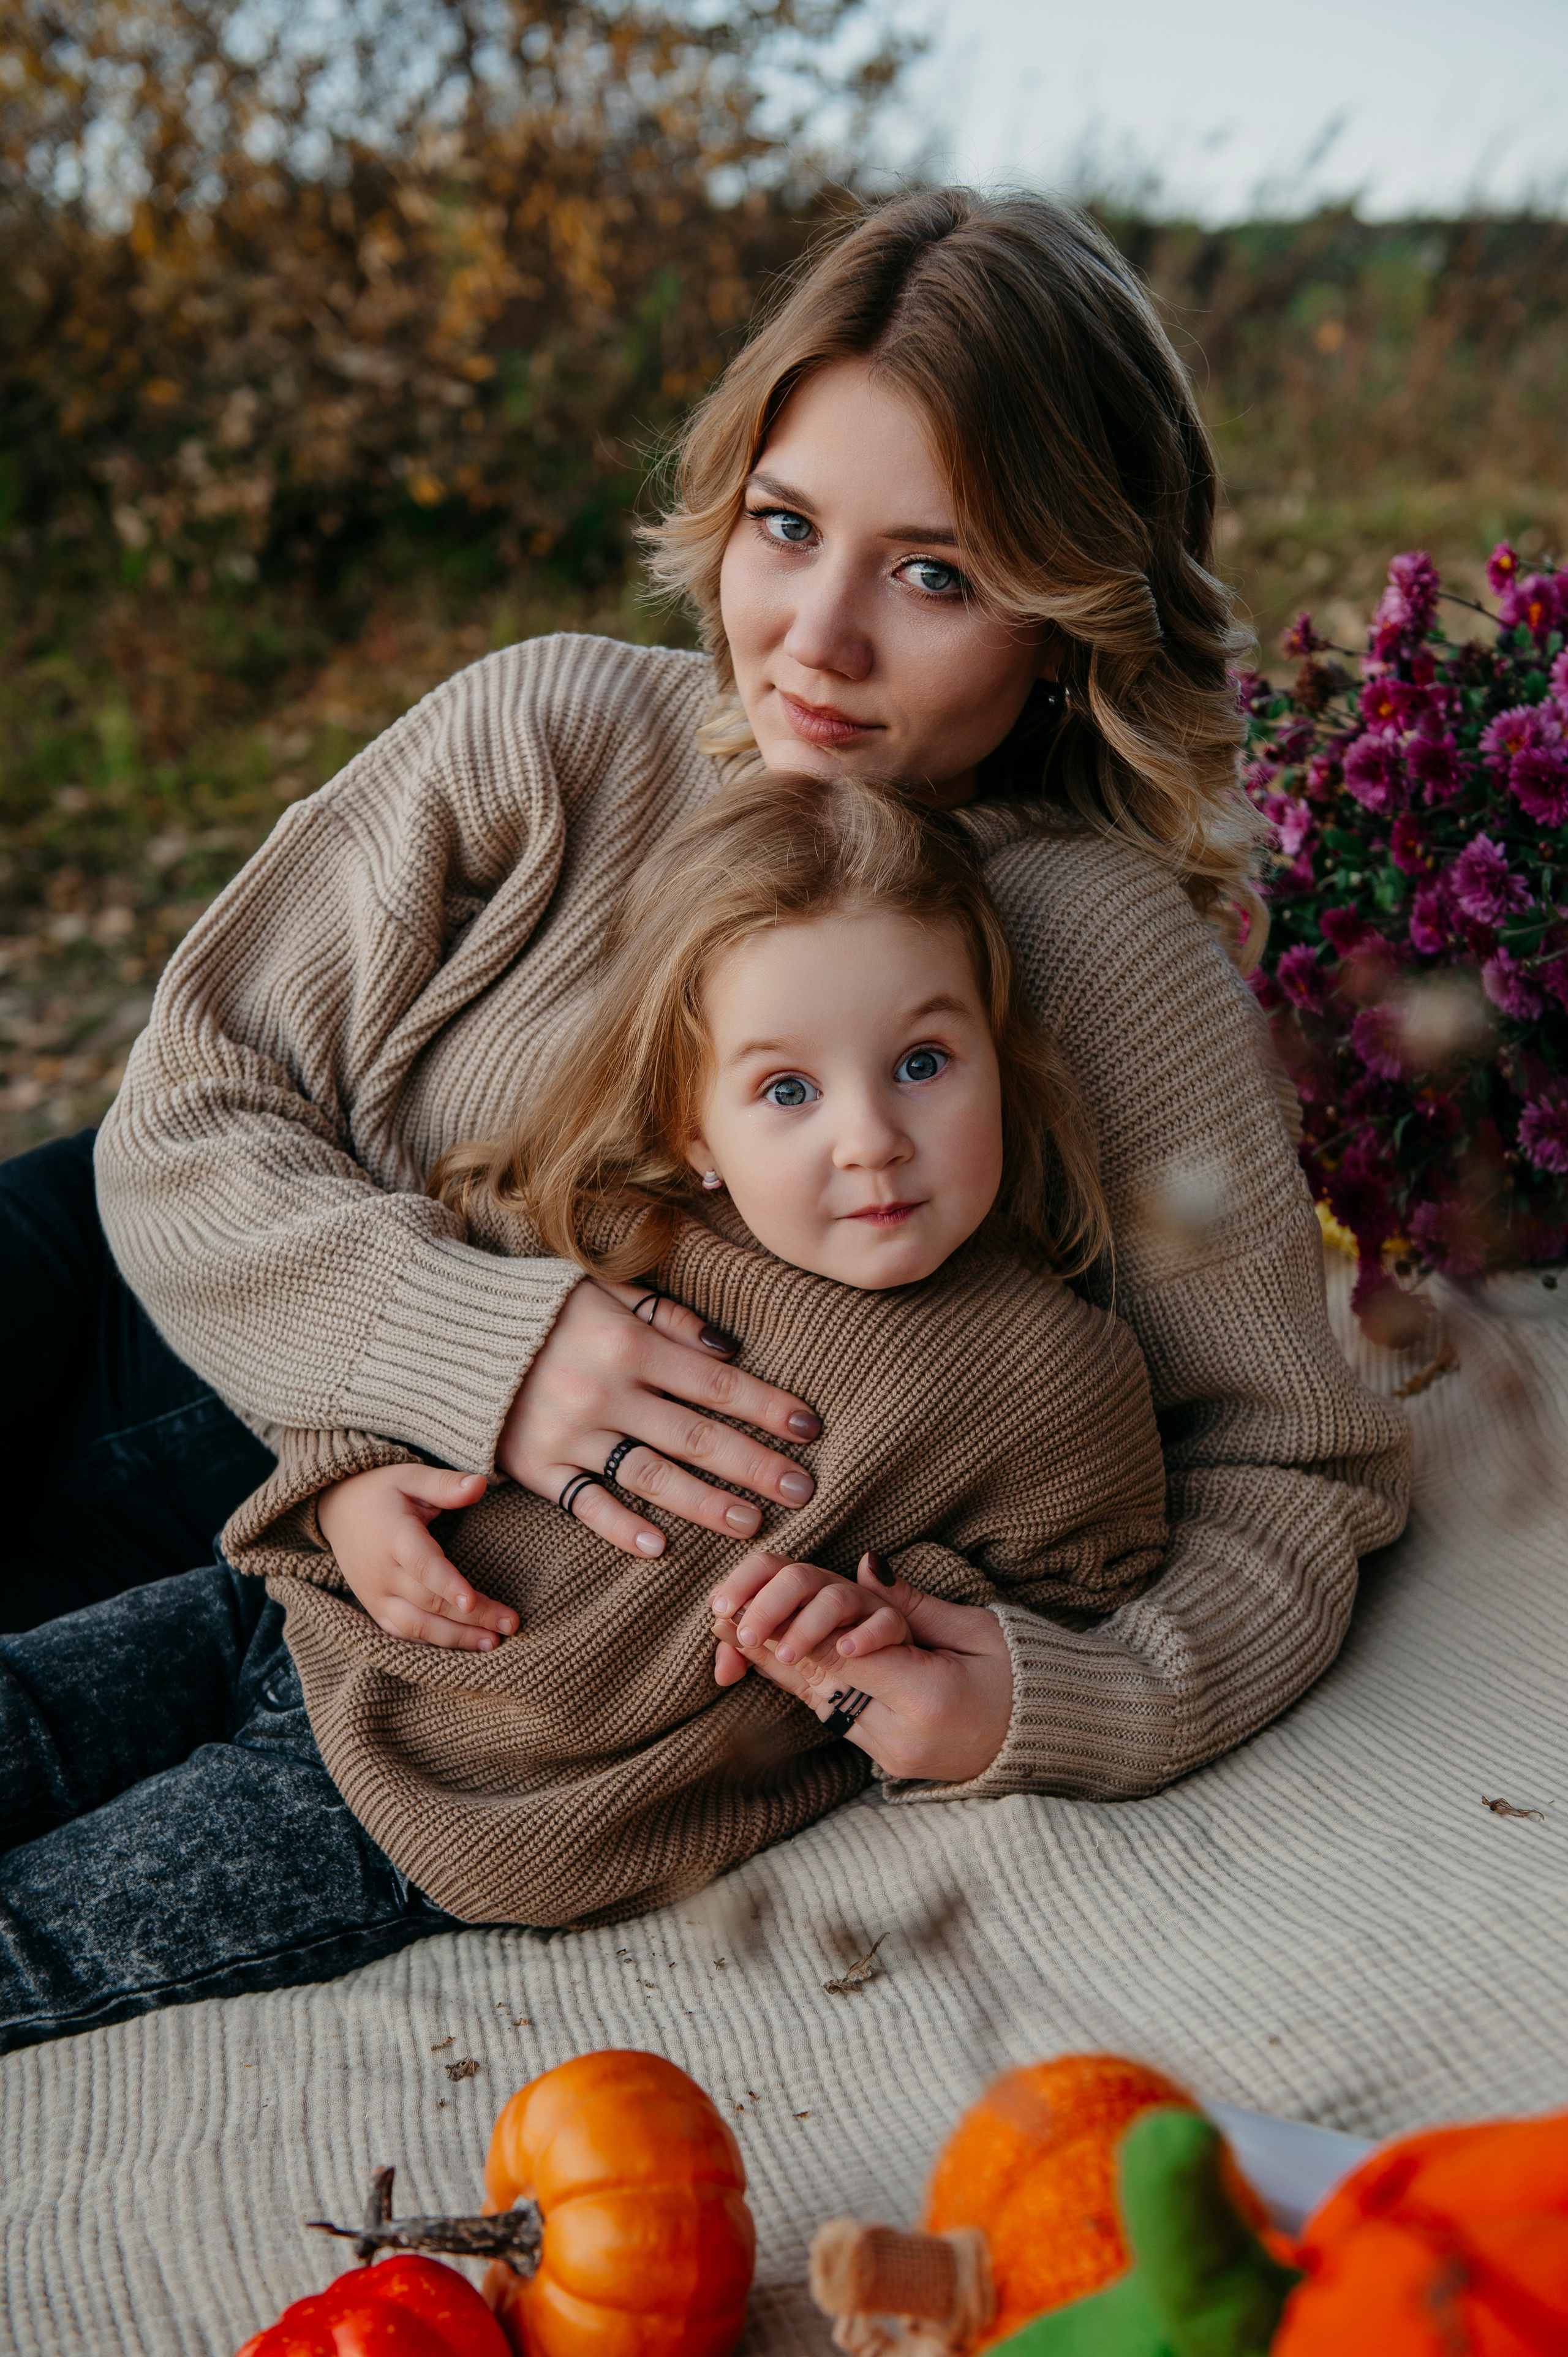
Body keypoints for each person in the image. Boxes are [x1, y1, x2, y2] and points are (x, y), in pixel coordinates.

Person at [0, 189, 1409, 2028]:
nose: (814, 638)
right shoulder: (555, 732)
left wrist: (1066, 1690)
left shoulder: (1091, 947)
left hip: (474, 1607)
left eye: (936, 571)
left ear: (1071, 614)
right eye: (785, 526)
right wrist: (474, 1347)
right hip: (178, 1319)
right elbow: (187, 1102)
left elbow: (1293, 1462)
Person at [0, 774, 1166, 2040]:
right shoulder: (618, 1219)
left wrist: (894, 1627)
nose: (871, 1138)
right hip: (287, 1613)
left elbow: (1080, 1588)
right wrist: (345, 1483)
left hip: (443, 1796)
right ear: (695, 1125)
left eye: (923, 1063)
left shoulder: (1053, 1378)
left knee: (36, 1933)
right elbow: (395, 1343)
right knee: (25, 1711)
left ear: (1000, 1057)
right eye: (787, 1090)